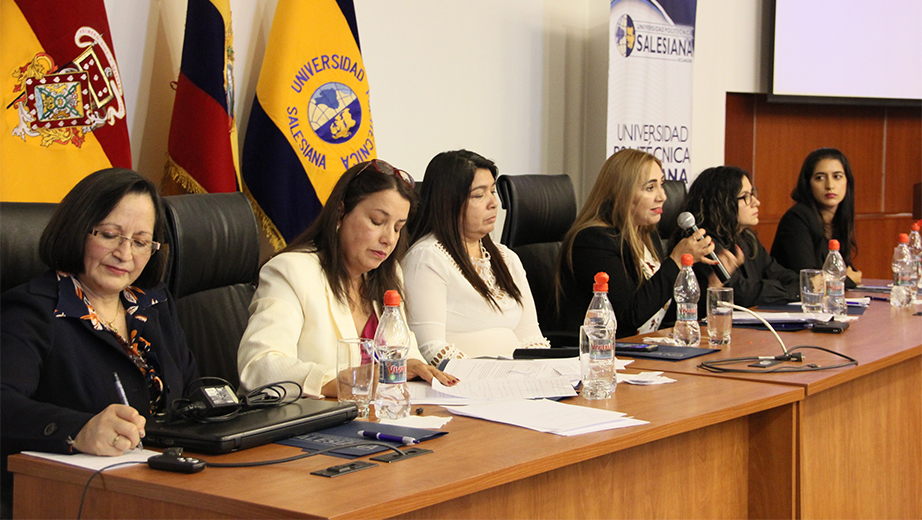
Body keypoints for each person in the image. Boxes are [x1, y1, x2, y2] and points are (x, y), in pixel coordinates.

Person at [0, 168, 200, 515]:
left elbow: (192, 388)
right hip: (76, 497)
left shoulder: (153, 304)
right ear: (77, 230)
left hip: (166, 485)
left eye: (140, 242)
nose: (125, 253)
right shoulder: (34, 309)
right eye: (110, 235)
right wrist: (79, 430)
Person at [237, 160, 457, 397]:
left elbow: (404, 351)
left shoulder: (389, 274)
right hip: (310, 422)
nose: (389, 239)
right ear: (341, 213)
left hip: (377, 417)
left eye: (397, 227)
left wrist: (412, 364)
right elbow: (258, 366)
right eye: (377, 221)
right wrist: (344, 380)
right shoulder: (291, 271)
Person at [402, 150, 549, 365]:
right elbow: (430, 348)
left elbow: (531, 337)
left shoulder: (507, 258)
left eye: (493, 191)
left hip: (516, 384)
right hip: (461, 387)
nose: (493, 203)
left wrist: (539, 372)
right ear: (448, 202)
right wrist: (482, 378)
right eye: (479, 195)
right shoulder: (427, 258)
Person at [556, 149, 716, 338]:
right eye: (650, 188)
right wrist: (675, 262)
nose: (662, 196)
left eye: (661, 185)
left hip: (647, 349)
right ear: (621, 194)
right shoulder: (593, 241)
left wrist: (712, 285)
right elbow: (627, 316)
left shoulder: (648, 236)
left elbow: (662, 312)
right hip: (605, 354)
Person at [679, 165, 800, 308]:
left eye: (753, 194)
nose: (756, 202)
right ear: (720, 204)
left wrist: (804, 285)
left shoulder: (747, 238)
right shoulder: (702, 243)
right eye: (745, 197)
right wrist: (796, 290)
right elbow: (741, 294)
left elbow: (778, 273)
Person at [771, 148, 862, 287]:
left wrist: (848, 277)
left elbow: (845, 270)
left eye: (837, 176)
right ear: (808, 184)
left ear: (847, 181)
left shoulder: (839, 220)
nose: (830, 186)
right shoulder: (796, 220)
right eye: (820, 178)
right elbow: (810, 280)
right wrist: (849, 280)